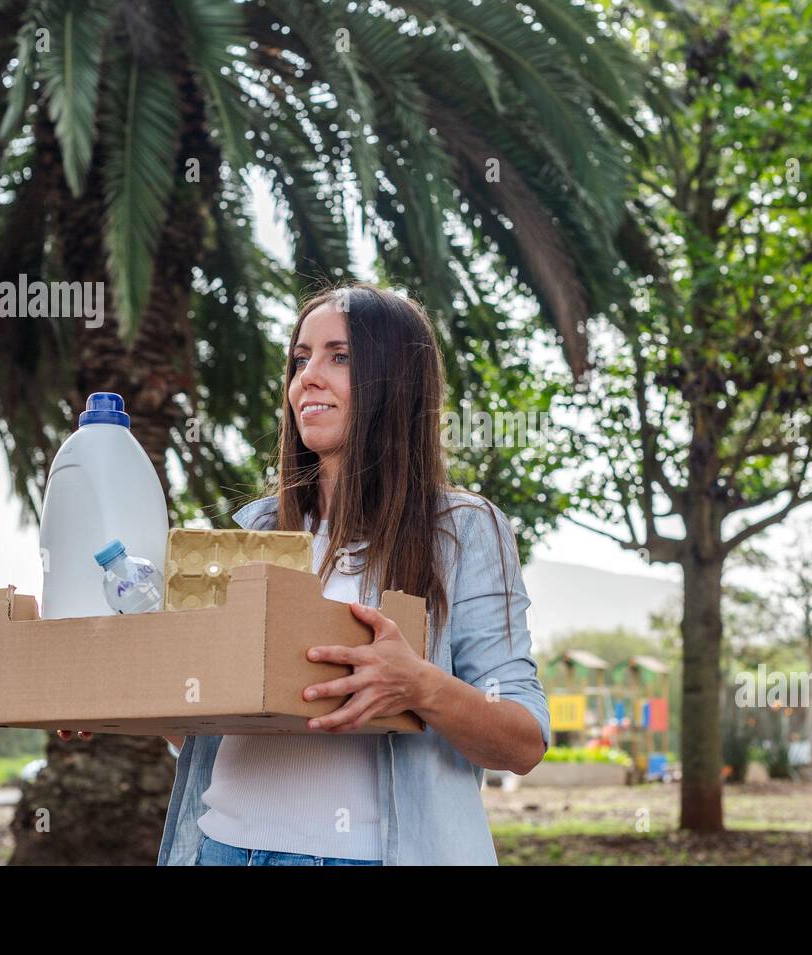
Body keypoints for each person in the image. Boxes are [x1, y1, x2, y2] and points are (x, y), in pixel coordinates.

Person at [64, 283, 551, 865]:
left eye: (339, 357)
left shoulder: (462, 530)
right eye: (300, 359)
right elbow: (216, 716)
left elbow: (523, 741)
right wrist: (110, 697)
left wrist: (419, 684)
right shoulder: (256, 527)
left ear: (396, 381)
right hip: (222, 849)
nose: (308, 378)